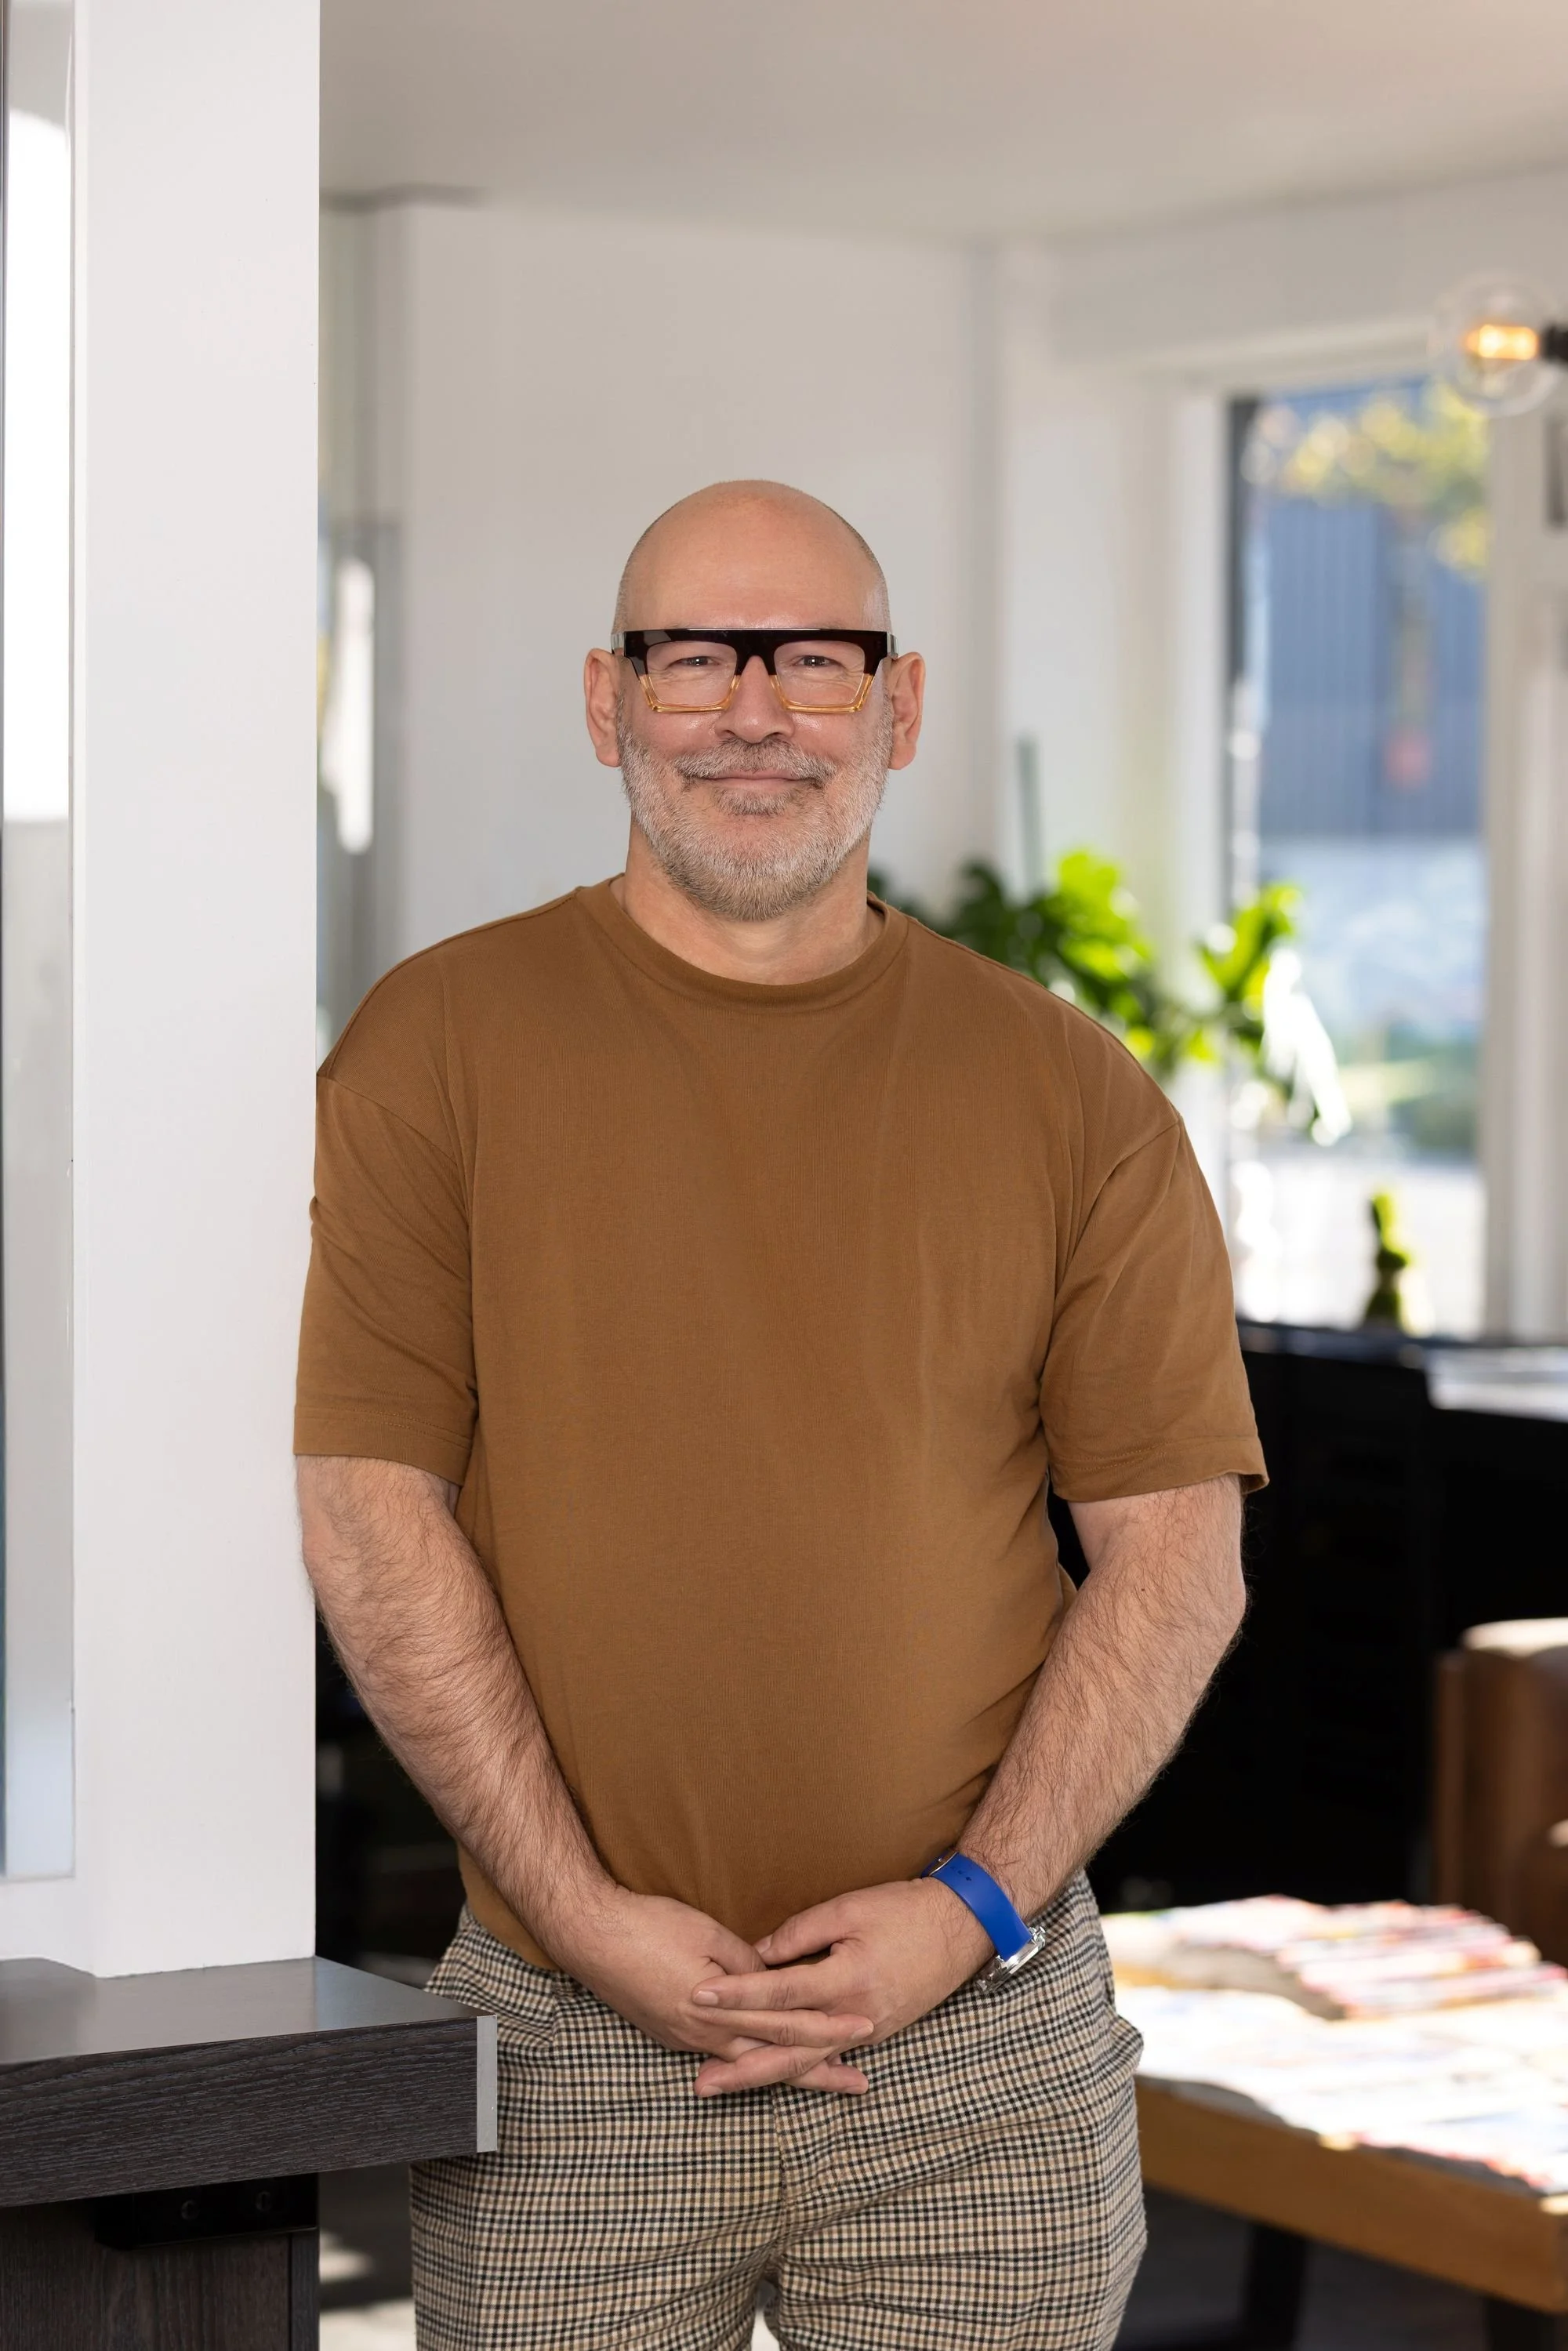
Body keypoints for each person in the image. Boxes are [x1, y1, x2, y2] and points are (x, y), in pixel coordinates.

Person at [296, 480, 1265, 2351]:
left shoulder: (1070, 1091)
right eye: (694, 660)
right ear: (609, 702)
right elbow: (367, 1510)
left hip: (977, 2065)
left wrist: (968, 1907)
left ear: (896, 708)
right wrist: (584, 1917)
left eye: (815, 660)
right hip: (571, 2036)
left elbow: (1176, 1553)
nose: (757, 713)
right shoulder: (439, 1042)